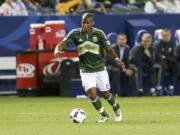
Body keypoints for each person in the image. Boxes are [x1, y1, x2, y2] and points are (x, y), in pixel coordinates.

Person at [54, 13, 123, 123]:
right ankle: (104, 116)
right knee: (92, 94)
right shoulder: (75, 33)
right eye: (83, 23)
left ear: (92, 23)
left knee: (106, 94)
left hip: (100, 68)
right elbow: (63, 43)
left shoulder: (99, 33)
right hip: (86, 70)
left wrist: (117, 59)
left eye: (87, 23)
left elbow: (109, 49)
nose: (85, 25)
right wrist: (57, 49)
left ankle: (117, 109)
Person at [154, 29, 178, 95]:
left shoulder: (172, 44)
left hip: (168, 64)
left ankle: (171, 87)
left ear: (170, 36)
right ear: (161, 36)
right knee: (161, 65)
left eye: (168, 35)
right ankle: (159, 88)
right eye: (164, 35)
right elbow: (158, 57)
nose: (166, 37)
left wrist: (165, 57)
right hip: (156, 64)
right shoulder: (157, 44)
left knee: (176, 65)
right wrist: (167, 58)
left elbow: (174, 57)